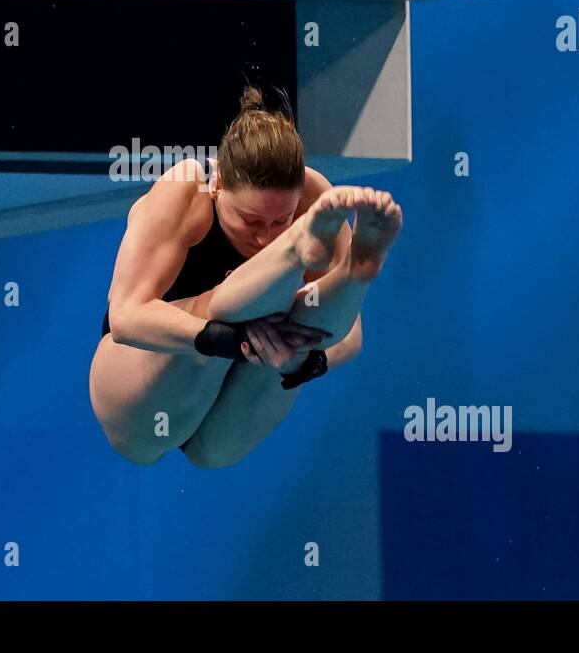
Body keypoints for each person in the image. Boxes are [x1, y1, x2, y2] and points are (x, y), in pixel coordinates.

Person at [88, 86, 403, 468]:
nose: (264, 235)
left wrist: (299, 362)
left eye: (281, 222)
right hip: (141, 383)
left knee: (298, 337)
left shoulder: (313, 193)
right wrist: (223, 338)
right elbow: (126, 318)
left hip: (233, 406)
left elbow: (350, 337)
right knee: (225, 309)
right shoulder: (186, 189)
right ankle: (292, 251)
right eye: (251, 220)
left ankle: (356, 273)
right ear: (218, 185)